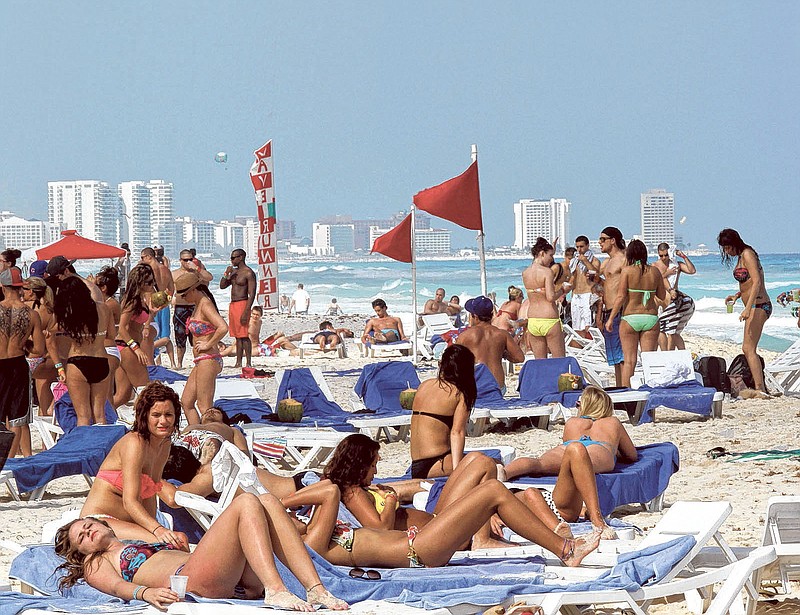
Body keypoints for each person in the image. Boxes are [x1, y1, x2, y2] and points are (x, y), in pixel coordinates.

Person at [55, 499, 348, 611]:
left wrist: (173, 540)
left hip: (221, 574)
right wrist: (145, 593)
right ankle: (275, 589)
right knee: (245, 502)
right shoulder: (96, 562)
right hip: (192, 579)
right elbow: (116, 586)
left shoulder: (129, 539)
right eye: (81, 537)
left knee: (269, 501)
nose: (87, 532)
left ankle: (316, 589)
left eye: (88, 525)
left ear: (101, 522)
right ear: (81, 551)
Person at [282, 471, 599, 570]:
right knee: (492, 490)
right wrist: (281, 502)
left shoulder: (314, 532)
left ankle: (563, 546)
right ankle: (565, 550)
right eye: (284, 520)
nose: (291, 518)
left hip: (419, 541)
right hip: (417, 552)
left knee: (490, 487)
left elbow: (327, 489)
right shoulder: (310, 546)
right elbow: (329, 491)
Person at [316, 433, 507, 549]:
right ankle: (481, 540)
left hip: (436, 521)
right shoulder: (354, 493)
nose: (375, 471)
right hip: (439, 535)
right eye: (373, 465)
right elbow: (380, 529)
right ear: (359, 465)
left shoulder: (356, 488)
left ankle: (482, 533)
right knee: (485, 464)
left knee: (473, 458)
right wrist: (391, 498)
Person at [503, 386, 637, 537]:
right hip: (598, 447)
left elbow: (568, 444)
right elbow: (631, 455)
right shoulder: (613, 422)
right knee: (582, 461)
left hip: (567, 447)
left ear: (584, 405)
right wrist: (615, 450)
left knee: (539, 463)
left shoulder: (573, 422)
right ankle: (596, 519)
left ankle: (505, 471)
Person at [80, 382, 190, 546]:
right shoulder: (135, 443)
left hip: (131, 523)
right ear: (144, 416)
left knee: (179, 539)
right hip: (99, 520)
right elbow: (129, 501)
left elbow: (150, 491)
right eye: (156, 415)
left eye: (168, 415)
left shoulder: (164, 444)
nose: (163, 421)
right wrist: (157, 530)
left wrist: (153, 525)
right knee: (170, 543)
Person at [410, 344, 495, 481]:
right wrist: (457, 471)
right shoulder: (459, 393)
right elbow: (457, 432)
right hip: (438, 463)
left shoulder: (424, 385)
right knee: (491, 464)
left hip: (416, 465)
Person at [47, 277, 116, 425]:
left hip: (78, 361)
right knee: (100, 415)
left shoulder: (70, 314)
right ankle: (100, 447)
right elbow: (111, 335)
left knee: (83, 416)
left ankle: (86, 447)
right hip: (101, 360)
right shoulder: (104, 308)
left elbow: (50, 330)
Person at [604, 240, 665, 388]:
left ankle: (628, 398)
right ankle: (650, 396)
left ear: (630, 254)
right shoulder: (655, 271)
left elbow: (621, 297)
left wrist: (610, 319)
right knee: (648, 361)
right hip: (650, 318)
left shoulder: (627, 271)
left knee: (629, 361)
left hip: (630, 318)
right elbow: (662, 295)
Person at [719, 228, 772, 393]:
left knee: (748, 348)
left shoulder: (748, 254)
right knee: (748, 348)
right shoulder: (741, 257)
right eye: (724, 248)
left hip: (759, 305)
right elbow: (747, 284)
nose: (727, 251)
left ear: (734, 243)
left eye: (728, 247)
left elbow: (757, 282)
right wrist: (737, 296)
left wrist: (748, 309)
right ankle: (759, 386)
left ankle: (760, 388)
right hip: (754, 305)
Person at [1, 268, 45, 458]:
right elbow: (39, 350)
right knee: (17, 418)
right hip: (18, 364)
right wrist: (25, 345)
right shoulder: (31, 314)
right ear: (20, 287)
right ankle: (9, 461)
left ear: (2, 287)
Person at [174, 271, 228, 425]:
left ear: (193, 290)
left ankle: (213, 436)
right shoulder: (199, 304)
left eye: (184, 295)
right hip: (201, 360)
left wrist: (208, 344)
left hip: (209, 358)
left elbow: (223, 327)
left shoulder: (205, 304)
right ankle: (196, 433)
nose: (183, 299)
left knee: (205, 406)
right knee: (186, 402)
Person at [113, 264, 158, 408]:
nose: (152, 285)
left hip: (126, 347)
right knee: (146, 390)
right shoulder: (131, 301)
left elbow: (139, 323)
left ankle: (102, 418)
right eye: (148, 282)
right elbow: (122, 328)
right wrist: (136, 348)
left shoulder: (140, 299)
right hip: (126, 347)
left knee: (123, 395)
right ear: (139, 283)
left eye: (153, 281)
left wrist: (151, 314)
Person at [458, 295, 524, 391]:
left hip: (475, 388)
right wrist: (503, 354)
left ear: (475, 316)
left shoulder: (465, 336)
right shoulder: (502, 334)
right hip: (498, 388)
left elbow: (453, 361)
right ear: (492, 314)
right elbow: (520, 358)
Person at [522, 237, 570, 359]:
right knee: (559, 361)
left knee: (540, 363)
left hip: (533, 319)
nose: (552, 259)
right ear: (542, 253)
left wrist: (551, 247)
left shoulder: (526, 273)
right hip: (549, 319)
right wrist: (563, 290)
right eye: (551, 255)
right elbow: (550, 297)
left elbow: (538, 290)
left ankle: (543, 379)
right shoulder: (546, 272)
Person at [596, 227, 627, 387]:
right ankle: (620, 388)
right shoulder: (607, 262)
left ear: (612, 240)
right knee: (614, 357)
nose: (599, 242)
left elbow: (627, 287)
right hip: (608, 312)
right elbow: (608, 286)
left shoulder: (623, 259)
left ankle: (626, 390)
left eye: (603, 239)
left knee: (622, 356)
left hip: (619, 311)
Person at [171, 249, 213, 368]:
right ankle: (179, 363)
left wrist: (197, 268)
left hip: (194, 307)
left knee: (196, 336)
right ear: (180, 261)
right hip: (180, 307)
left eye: (190, 259)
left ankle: (198, 360)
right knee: (180, 336)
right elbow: (168, 289)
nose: (188, 262)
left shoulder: (196, 272)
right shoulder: (174, 274)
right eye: (185, 260)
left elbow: (209, 277)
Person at [22, 276, 57, 419]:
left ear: (31, 291)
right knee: (45, 399)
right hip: (46, 358)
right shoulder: (51, 309)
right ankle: (46, 439)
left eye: (24, 289)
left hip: (31, 358)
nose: (21, 291)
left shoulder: (28, 308)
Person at [654, 243, 697, 351]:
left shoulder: (676, 265)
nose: (663, 258)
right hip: (660, 299)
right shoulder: (655, 266)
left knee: (674, 332)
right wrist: (666, 273)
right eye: (661, 256)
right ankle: (666, 353)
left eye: (665, 255)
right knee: (662, 328)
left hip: (673, 299)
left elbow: (692, 271)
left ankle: (679, 354)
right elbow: (654, 281)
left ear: (669, 253)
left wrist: (683, 256)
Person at [219, 249, 256, 368]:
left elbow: (252, 293)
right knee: (237, 336)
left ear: (241, 257)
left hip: (243, 303)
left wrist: (246, 311)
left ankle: (248, 362)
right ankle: (238, 362)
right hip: (233, 304)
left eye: (234, 258)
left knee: (244, 335)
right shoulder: (234, 272)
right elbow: (222, 286)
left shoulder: (248, 273)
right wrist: (226, 274)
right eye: (231, 258)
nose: (232, 260)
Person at [93, 267, 123, 409]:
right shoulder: (107, 303)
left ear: (103, 288)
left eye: (96, 285)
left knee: (106, 396)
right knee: (106, 394)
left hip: (108, 349)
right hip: (108, 349)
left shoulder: (108, 305)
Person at [568, 237, 601, 339]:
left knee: (588, 325)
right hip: (576, 295)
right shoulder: (575, 261)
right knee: (576, 325)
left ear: (587, 246)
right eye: (577, 247)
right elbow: (573, 277)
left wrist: (586, 261)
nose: (579, 249)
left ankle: (590, 345)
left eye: (581, 246)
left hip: (588, 294)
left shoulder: (594, 260)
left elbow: (596, 273)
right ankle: (579, 345)